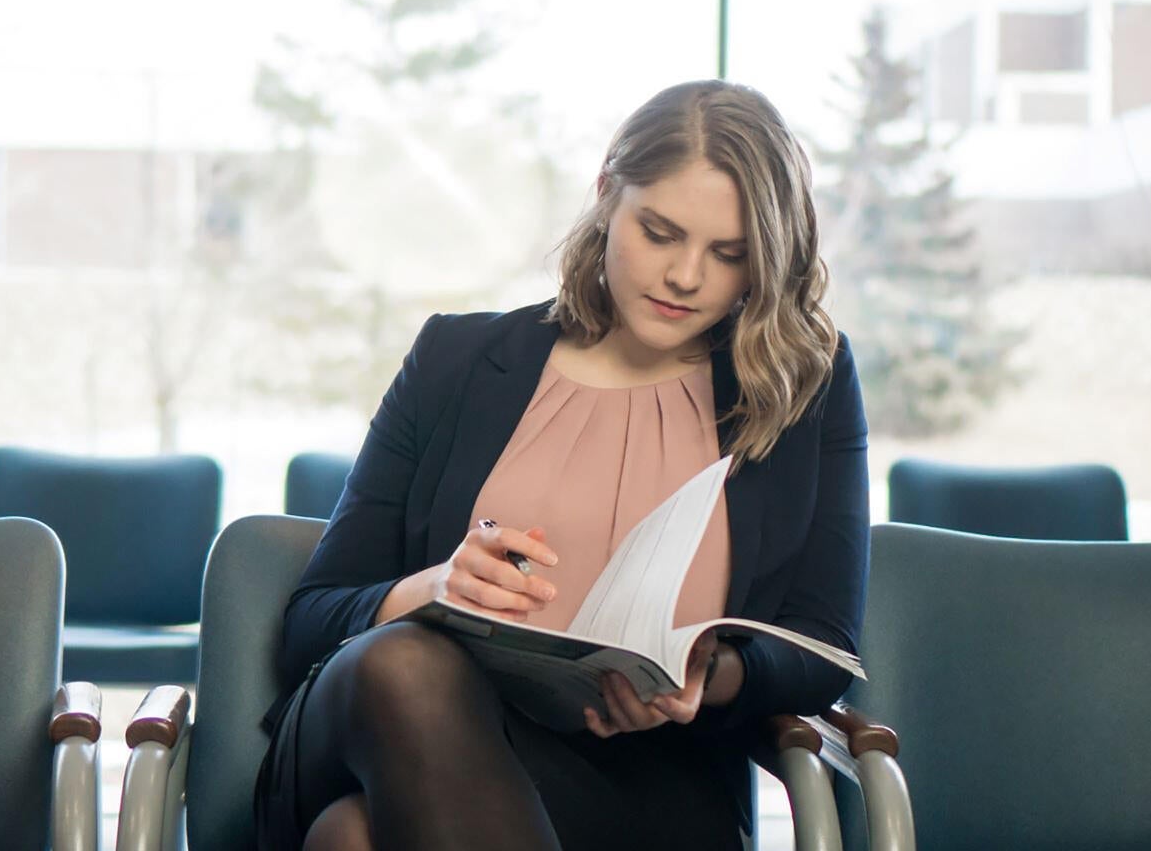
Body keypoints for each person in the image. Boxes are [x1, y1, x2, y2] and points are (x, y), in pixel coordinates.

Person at [254, 79, 870, 851]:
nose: (686, 276)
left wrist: (711, 676)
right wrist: (435, 588)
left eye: (728, 255)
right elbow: (310, 620)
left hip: (644, 780)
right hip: (385, 724)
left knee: (352, 839)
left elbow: (824, 647)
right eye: (659, 231)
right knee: (406, 667)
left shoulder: (800, 381)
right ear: (608, 192)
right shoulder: (456, 360)